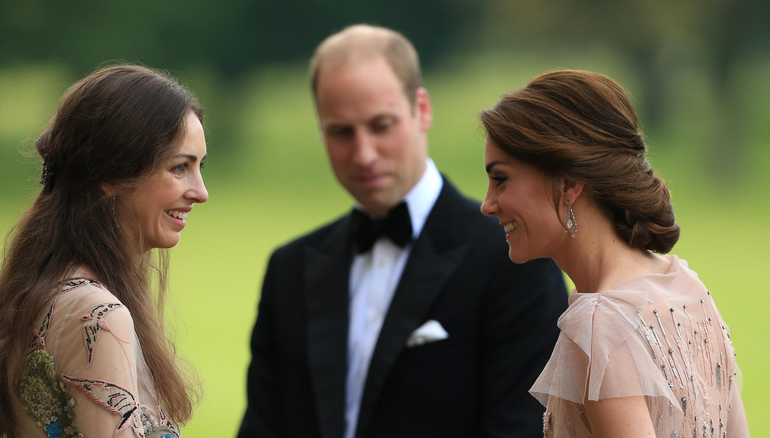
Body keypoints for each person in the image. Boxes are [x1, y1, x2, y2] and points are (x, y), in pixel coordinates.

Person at [237, 24, 568, 438]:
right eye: (341, 131)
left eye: (381, 125)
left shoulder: (514, 258)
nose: (364, 154)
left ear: (422, 109)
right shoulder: (289, 268)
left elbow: (519, 428)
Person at [479, 69, 750, 437]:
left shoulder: (599, 323)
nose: (488, 204)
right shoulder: (684, 285)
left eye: (501, 179)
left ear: (569, 182)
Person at [0, 64, 209, 437]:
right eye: (179, 167)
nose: (200, 192)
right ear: (110, 176)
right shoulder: (97, 315)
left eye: (199, 167)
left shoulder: (43, 290)